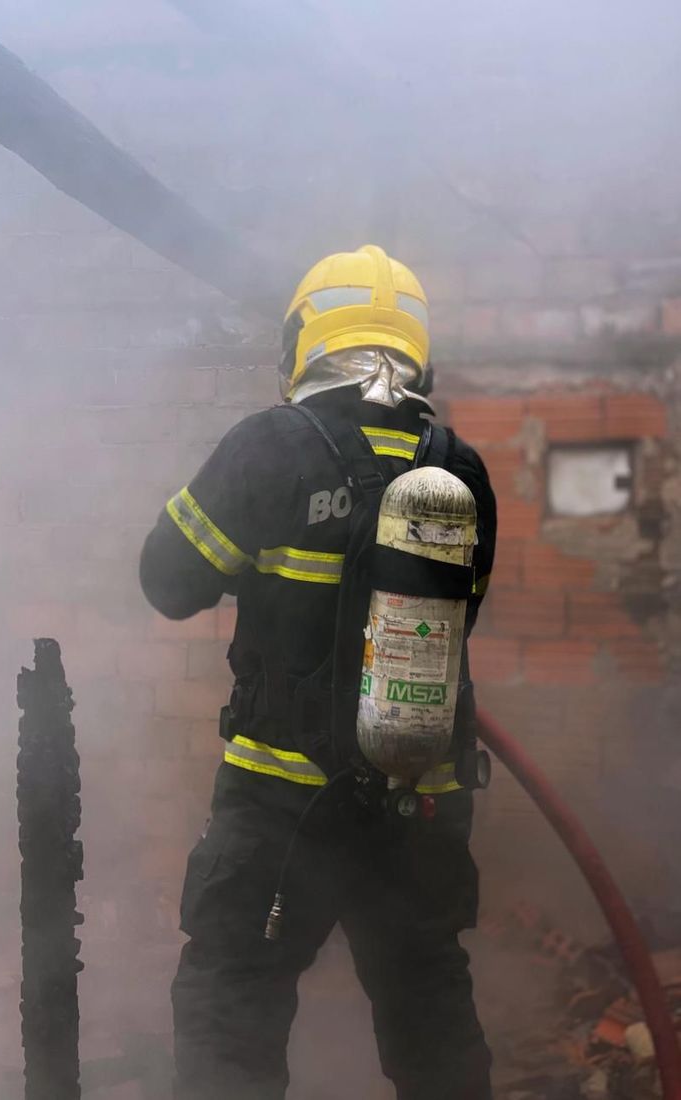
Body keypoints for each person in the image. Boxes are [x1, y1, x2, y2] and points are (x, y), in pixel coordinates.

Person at [140, 244, 497, 1100]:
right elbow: (460, 619)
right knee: (428, 1009)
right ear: (413, 346)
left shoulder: (268, 446)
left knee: (235, 999)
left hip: (282, 802)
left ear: (305, 338)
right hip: (420, 797)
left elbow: (168, 581)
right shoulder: (459, 465)